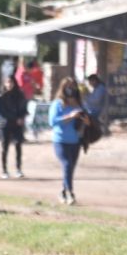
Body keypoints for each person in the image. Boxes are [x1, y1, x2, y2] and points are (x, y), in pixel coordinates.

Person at [49, 77, 87, 206]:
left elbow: (87, 119)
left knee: (70, 168)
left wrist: (86, 120)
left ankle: (63, 191)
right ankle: (70, 192)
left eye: (73, 86)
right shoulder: (58, 103)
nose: (71, 89)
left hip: (75, 141)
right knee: (67, 164)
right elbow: (52, 122)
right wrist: (70, 116)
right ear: (63, 88)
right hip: (60, 140)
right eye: (68, 86)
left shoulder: (79, 104)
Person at [0, 75, 28, 179]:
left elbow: (24, 108)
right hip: (5, 124)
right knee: (4, 147)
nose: (9, 84)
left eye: (11, 82)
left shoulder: (20, 95)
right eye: (7, 82)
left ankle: (18, 169)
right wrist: (14, 118)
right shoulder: (1, 95)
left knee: (18, 145)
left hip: (17, 125)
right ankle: (4, 170)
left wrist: (21, 117)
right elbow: (1, 111)